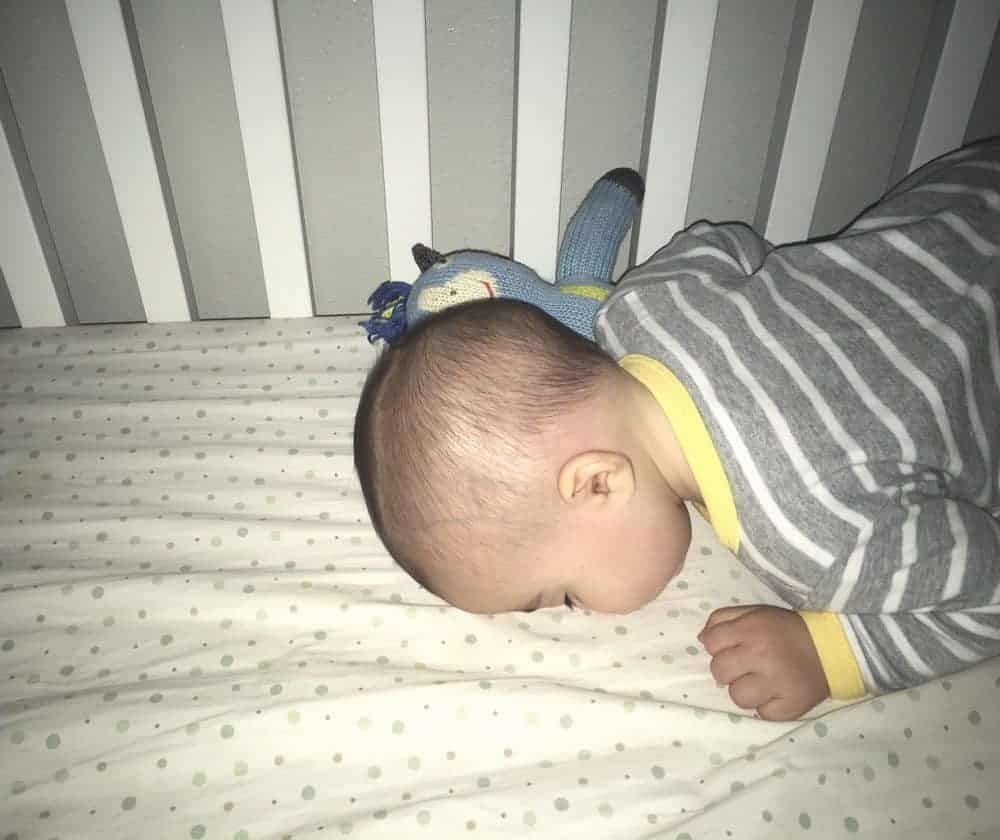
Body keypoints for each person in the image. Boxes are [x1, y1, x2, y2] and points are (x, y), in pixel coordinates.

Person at [354, 139, 1000, 720]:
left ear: (599, 484)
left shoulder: (822, 532)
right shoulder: (643, 305)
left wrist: (834, 653)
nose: (584, 611)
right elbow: (727, 245)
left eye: (568, 596)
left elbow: (987, 596)